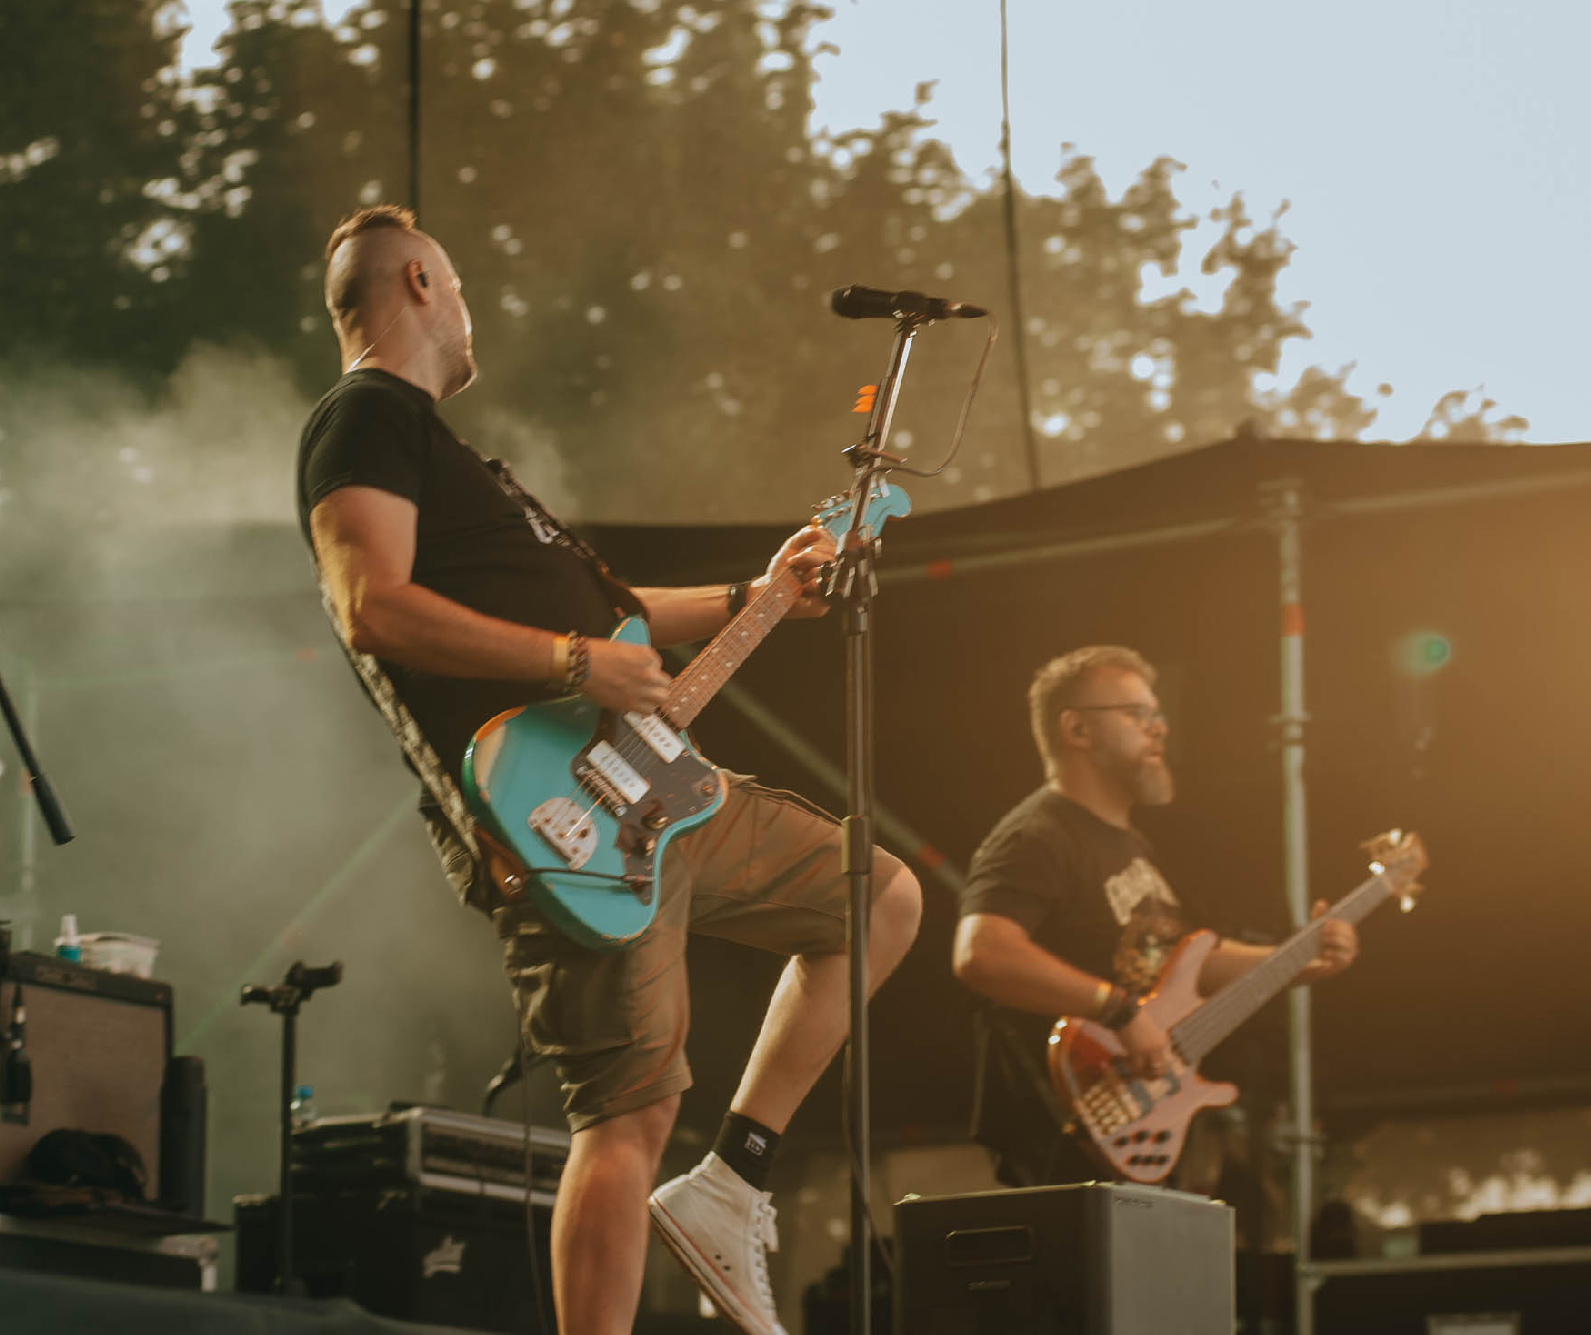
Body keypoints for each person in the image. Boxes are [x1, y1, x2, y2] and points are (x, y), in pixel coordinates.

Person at [296, 205, 923, 1335]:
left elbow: (620, 615)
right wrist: (571, 661)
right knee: (625, 1118)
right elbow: (368, 605)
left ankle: (733, 1179)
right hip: (557, 813)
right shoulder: (365, 416)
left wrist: (756, 593)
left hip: (654, 793)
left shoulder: (455, 461)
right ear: (422, 283)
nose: (469, 310)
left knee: (876, 895)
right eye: (460, 286)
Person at [951, 644, 1359, 1187]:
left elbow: (1191, 962)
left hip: (1137, 1118)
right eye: (1136, 713)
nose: (1159, 728)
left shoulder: (1133, 846)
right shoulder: (1036, 837)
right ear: (1077, 730)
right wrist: (1120, 1013)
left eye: (1158, 714)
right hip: (1066, 1119)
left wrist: (1304, 958)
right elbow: (983, 954)